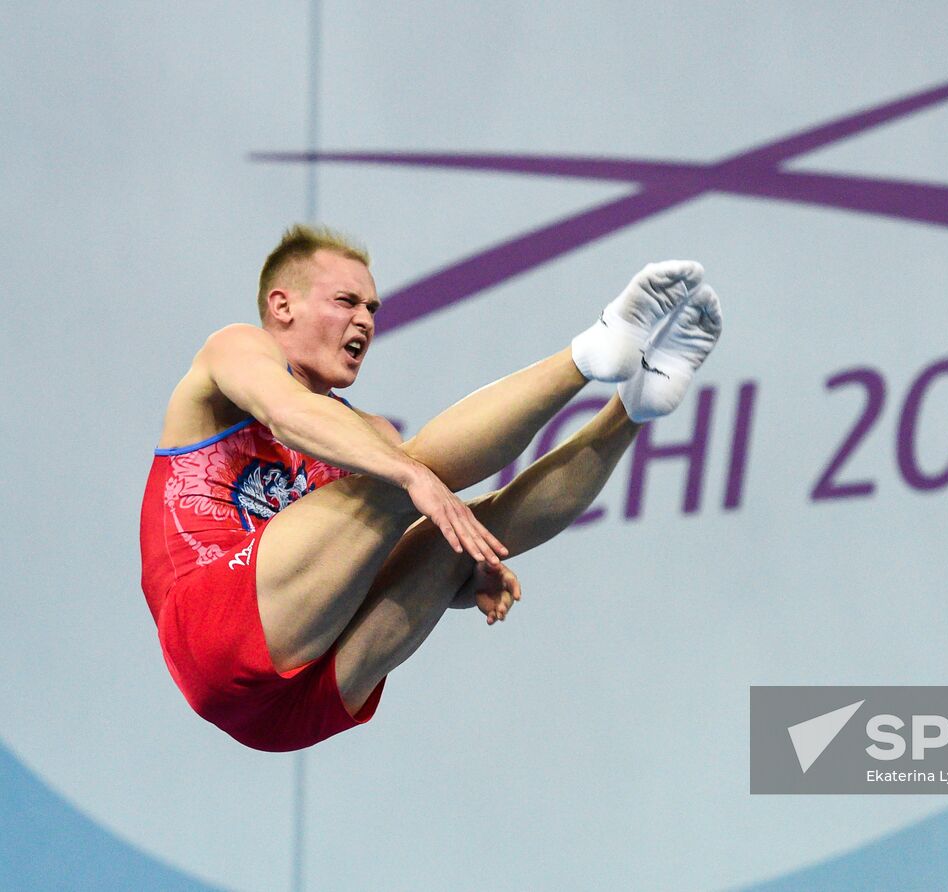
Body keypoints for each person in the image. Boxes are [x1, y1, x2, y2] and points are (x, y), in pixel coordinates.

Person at [139, 224, 721, 752]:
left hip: (296, 709)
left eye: (372, 307)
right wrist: (410, 474)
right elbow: (287, 411)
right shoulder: (235, 350)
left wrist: (469, 573)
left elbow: (379, 568)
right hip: (209, 632)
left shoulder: (366, 435)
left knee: (466, 528)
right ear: (281, 305)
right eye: (345, 301)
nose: (364, 319)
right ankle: (586, 355)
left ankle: (632, 408)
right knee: (413, 472)